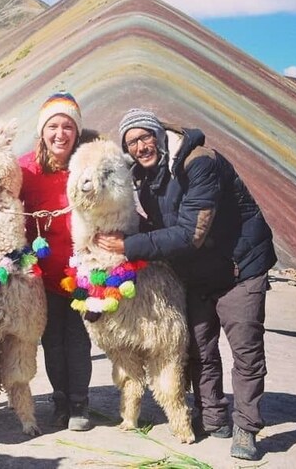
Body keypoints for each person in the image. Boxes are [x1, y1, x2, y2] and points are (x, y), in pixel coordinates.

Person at [95, 108, 277, 461]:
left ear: (160, 134)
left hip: (238, 266)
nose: (140, 146)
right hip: (196, 272)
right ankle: (212, 418)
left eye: (145, 136)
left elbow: (190, 232)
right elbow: (163, 225)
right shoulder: (146, 177)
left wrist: (127, 246)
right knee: (198, 348)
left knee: (246, 351)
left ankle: (247, 427)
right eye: (131, 142)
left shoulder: (199, 163)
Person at [19, 92, 95, 432]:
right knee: (52, 339)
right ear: (42, 131)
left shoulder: (88, 167)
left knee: (78, 337)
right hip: (41, 274)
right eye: (53, 126)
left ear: (77, 132)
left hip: (81, 271)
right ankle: (60, 399)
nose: (60, 134)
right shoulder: (24, 170)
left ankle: (80, 402)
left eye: (67, 126)